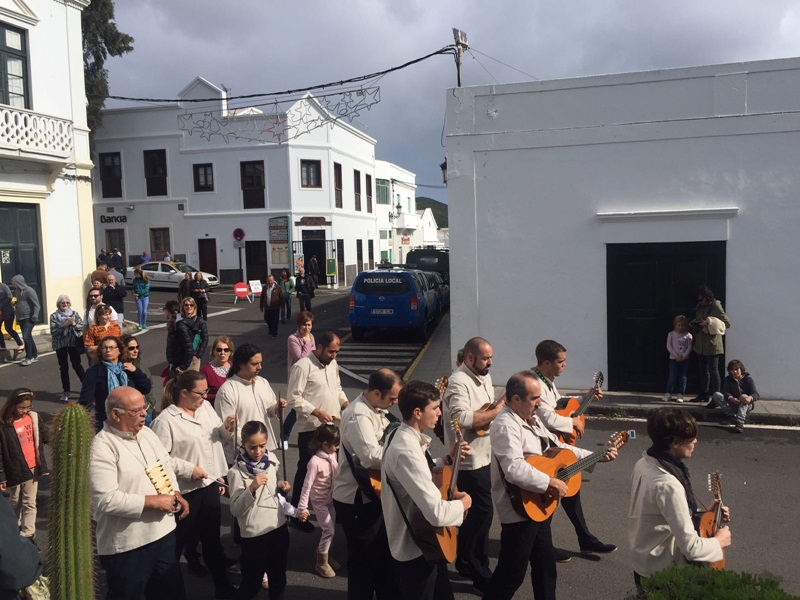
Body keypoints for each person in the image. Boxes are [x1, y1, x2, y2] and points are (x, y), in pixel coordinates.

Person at [484, 371, 618, 600]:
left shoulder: (531, 417)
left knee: (546, 569)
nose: (540, 404)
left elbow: (558, 448)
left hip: (538, 506)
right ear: (515, 399)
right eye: (534, 398)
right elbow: (513, 468)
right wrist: (549, 482)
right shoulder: (505, 425)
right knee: (511, 574)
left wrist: (596, 456)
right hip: (519, 511)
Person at [89, 386, 190, 600]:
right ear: (115, 414)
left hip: (163, 533)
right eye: (136, 411)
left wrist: (176, 492)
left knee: (171, 593)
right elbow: (105, 500)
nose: (145, 414)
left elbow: (166, 465)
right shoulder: (102, 447)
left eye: (145, 407)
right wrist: (153, 502)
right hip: (129, 545)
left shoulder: (147, 433)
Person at [382, 380, 471, 600]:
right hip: (416, 546)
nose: (440, 413)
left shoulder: (403, 435)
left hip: (427, 541)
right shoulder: (406, 450)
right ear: (417, 413)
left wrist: (448, 458)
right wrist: (464, 503)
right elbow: (436, 513)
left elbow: (420, 472)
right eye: (435, 408)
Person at [151, 371, 237, 599]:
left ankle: (223, 587)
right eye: (200, 393)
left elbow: (217, 439)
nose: (205, 397)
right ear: (184, 393)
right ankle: (167, 591)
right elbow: (160, 460)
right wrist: (190, 469)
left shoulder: (206, 408)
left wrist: (226, 428)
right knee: (176, 544)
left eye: (206, 391)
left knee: (212, 540)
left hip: (208, 486)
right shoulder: (165, 421)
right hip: (185, 492)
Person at [531, 340, 616, 560]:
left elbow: (558, 403)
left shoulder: (546, 380)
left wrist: (581, 399)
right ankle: (544, 548)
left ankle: (585, 538)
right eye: (561, 362)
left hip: (553, 445)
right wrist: (572, 423)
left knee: (571, 488)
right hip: (542, 448)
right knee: (547, 498)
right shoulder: (534, 383)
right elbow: (546, 417)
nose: (564, 365)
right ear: (547, 363)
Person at [628, 407, 730, 587]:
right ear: (675, 442)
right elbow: (691, 548)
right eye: (691, 438)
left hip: (644, 562)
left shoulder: (644, 463)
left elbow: (660, 512)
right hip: (663, 572)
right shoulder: (668, 484)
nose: (695, 441)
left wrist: (704, 514)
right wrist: (719, 541)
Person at [333, 368, 402, 600]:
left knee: (382, 557)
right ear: (376, 393)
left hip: (373, 494)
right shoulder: (358, 416)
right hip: (357, 499)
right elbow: (371, 457)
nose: (395, 403)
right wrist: (405, 453)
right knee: (363, 562)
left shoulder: (376, 408)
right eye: (392, 398)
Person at [443, 337, 504, 591]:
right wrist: (498, 412)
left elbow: (485, 411)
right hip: (468, 461)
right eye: (485, 358)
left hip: (485, 456)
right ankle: (479, 571)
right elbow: (462, 418)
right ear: (470, 358)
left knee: (476, 516)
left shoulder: (484, 376)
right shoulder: (458, 381)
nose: (490, 362)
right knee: (481, 515)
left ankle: (466, 562)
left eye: (491, 357)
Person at [287, 332, 349, 531]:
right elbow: (293, 398)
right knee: (306, 473)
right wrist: (316, 411)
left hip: (332, 427)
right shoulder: (302, 366)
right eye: (331, 351)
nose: (334, 356)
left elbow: (337, 388)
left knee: (333, 470)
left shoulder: (333, 364)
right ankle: (297, 515)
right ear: (319, 347)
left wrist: (346, 404)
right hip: (312, 429)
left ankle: (333, 509)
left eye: (336, 352)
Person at [228, 421, 295, 600]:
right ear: (243, 444)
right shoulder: (235, 472)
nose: (258, 451)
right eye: (252, 447)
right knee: (251, 584)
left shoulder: (271, 460)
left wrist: (281, 487)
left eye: (262, 446)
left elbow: (274, 488)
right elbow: (235, 509)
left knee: (278, 578)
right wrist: (251, 488)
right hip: (254, 535)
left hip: (277, 527)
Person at [215, 343, 285, 464]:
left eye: (260, 363)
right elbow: (228, 430)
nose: (260, 367)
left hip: (264, 452)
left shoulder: (263, 382)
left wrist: (276, 408)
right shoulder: (227, 391)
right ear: (241, 364)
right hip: (240, 457)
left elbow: (269, 410)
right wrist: (252, 445)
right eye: (254, 364)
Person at [0, 388, 47, 539]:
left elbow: (45, 435)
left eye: (28, 407)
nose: (25, 411)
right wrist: (2, 477)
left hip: (32, 466)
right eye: (21, 407)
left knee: (29, 502)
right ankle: (13, 528)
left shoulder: (33, 417)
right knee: (15, 501)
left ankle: (28, 533)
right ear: (12, 405)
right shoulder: (4, 424)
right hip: (14, 469)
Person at [79, 335, 152, 433]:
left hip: (131, 421)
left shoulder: (127, 369)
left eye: (111, 347)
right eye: (104, 348)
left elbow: (146, 388)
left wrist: (135, 371)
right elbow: (86, 399)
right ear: (100, 351)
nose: (108, 350)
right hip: (107, 422)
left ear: (119, 350)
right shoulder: (94, 372)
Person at [297, 424, 341, 578]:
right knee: (329, 530)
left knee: (331, 529)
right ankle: (321, 562)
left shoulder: (332, 456)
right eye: (335, 444)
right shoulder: (314, 462)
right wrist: (302, 508)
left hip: (331, 499)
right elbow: (306, 485)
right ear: (325, 444)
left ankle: (327, 554)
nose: (337, 448)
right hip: (319, 501)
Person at [281, 311, 316, 449]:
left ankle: (314, 437)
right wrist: (307, 343)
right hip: (298, 377)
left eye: (309, 325)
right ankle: (284, 436)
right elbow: (301, 358)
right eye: (304, 325)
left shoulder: (311, 336)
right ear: (299, 325)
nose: (307, 328)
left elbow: (314, 356)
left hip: (311, 376)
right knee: (296, 409)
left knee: (311, 405)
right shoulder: (293, 339)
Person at [691, 286, 731, 404]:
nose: (700, 301)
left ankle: (716, 397)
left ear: (707, 298)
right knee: (703, 370)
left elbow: (727, 323)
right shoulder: (699, 306)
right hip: (700, 343)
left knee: (714, 370)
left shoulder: (716, 306)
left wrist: (709, 322)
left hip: (712, 343)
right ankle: (703, 394)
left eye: (701, 299)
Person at [50, 294, 86, 402]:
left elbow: (82, 327)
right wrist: (65, 325)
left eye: (67, 303)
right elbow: (53, 332)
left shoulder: (74, 314)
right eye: (63, 303)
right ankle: (66, 391)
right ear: (59, 304)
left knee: (77, 365)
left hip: (73, 344)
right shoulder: (54, 316)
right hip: (60, 345)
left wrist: (73, 324)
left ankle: (86, 387)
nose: (65, 304)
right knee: (63, 368)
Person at [710, 359, 759, 433]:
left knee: (743, 397)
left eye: (736, 369)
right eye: (732, 370)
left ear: (741, 369)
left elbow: (755, 394)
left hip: (746, 404)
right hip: (734, 403)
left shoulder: (748, 379)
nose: (734, 372)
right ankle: (732, 416)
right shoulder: (728, 379)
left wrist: (750, 397)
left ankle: (739, 423)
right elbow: (725, 392)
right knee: (716, 395)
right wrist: (731, 398)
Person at [122, 335, 157, 422]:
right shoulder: (119, 367)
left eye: (137, 347)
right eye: (131, 348)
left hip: (144, 408)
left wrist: (151, 405)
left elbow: (149, 388)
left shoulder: (141, 366)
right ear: (123, 349)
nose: (135, 350)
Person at [10, 275, 39, 366]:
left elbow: (36, 305)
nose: (13, 284)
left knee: (26, 337)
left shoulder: (29, 291)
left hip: (29, 318)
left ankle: (28, 357)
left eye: (13, 282)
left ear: (18, 282)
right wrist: (16, 303)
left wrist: (35, 315)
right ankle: (34, 355)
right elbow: (22, 302)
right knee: (28, 336)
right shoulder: (17, 291)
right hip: (21, 318)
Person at [663, 315, 693, 403]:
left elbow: (690, 347)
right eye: (678, 325)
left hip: (684, 359)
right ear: (675, 325)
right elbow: (669, 346)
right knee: (672, 376)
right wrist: (676, 356)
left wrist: (684, 356)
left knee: (683, 377)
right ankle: (668, 393)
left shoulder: (688, 335)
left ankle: (680, 394)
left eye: (682, 325)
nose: (680, 327)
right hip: (673, 359)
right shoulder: (671, 334)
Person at [175, 297, 208, 374]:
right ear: (183, 307)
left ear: (194, 307)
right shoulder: (179, 320)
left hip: (193, 358)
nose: (189, 307)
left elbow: (205, 339)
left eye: (191, 305)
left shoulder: (200, 321)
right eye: (186, 305)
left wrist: (198, 355)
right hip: (180, 356)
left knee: (192, 380)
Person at [200, 336, 234, 406]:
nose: (222, 353)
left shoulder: (235, 367)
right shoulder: (205, 370)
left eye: (226, 350)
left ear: (230, 352)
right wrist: (220, 396)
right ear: (213, 351)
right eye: (219, 350)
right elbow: (201, 394)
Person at [0, 280, 25, 360]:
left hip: (8, 311)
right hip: (0, 313)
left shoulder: (3, 286)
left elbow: (9, 297)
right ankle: (2, 346)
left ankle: (20, 344)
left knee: (8, 328)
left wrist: (0, 306)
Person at [259, 275, 283, 339]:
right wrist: (261, 306)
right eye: (268, 281)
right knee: (267, 319)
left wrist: (282, 306)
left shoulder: (277, 287)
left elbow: (281, 297)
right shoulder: (265, 288)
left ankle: (274, 334)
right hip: (267, 307)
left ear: (273, 280)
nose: (270, 282)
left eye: (271, 281)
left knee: (275, 321)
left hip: (275, 307)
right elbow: (262, 297)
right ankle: (270, 328)